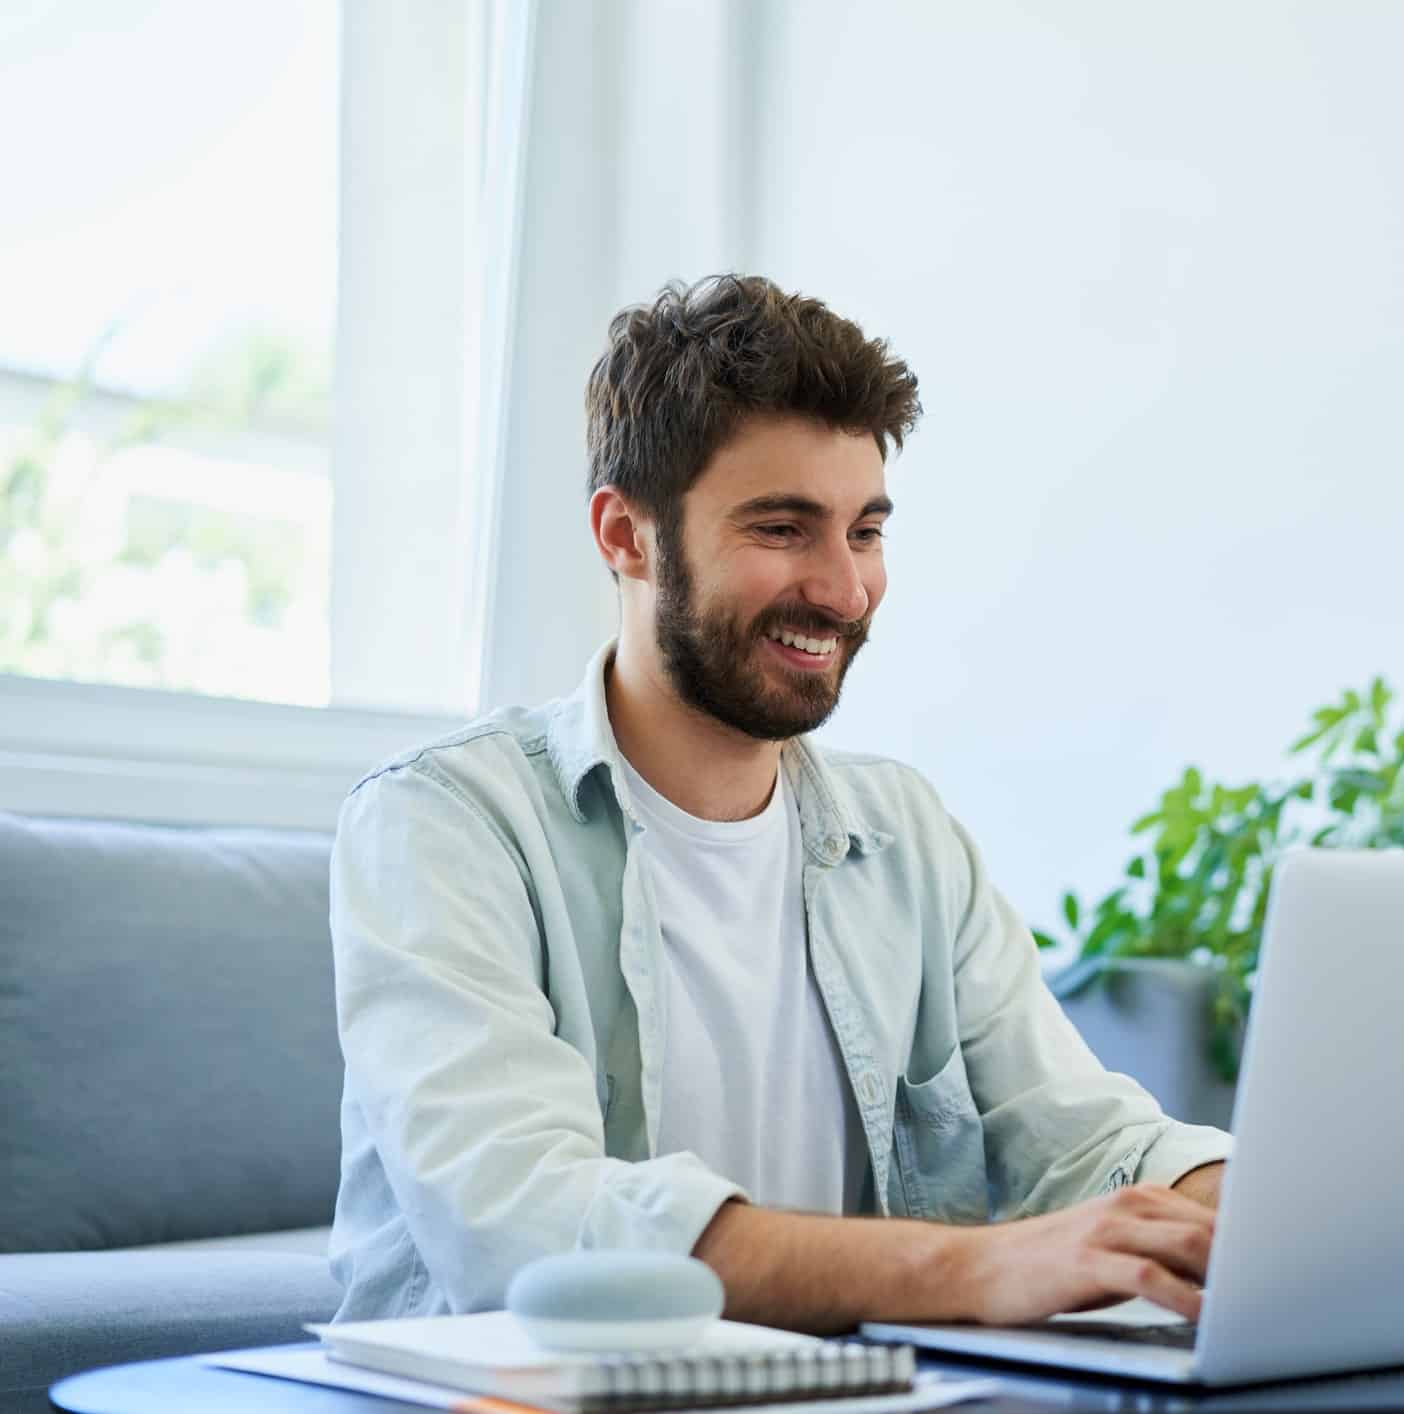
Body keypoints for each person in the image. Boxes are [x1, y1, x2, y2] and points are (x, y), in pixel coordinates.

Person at [327, 275, 1232, 1334]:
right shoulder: (443, 823)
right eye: (782, 528)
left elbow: (1085, 1140)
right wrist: (972, 1270)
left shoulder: (907, 838)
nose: (844, 592)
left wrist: (1255, 1225)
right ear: (626, 535)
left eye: (864, 532)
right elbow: (528, 1224)